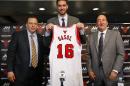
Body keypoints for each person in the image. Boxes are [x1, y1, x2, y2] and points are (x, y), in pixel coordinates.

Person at [7, 16, 48, 86]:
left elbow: (47, 51)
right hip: (20, 74)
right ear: (26, 25)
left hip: (37, 74)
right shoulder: (17, 36)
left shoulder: (41, 38)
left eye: (35, 24)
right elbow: (11, 54)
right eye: (30, 23)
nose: (33, 25)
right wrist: (10, 70)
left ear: (37, 26)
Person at [87, 14, 124, 86]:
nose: (101, 22)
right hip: (95, 74)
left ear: (107, 23)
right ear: (96, 24)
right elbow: (88, 55)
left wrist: (115, 70)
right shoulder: (90, 37)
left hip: (111, 72)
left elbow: (121, 54)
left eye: (103, 20)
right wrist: (89, 70)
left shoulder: (115, 34)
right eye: (99, 20)